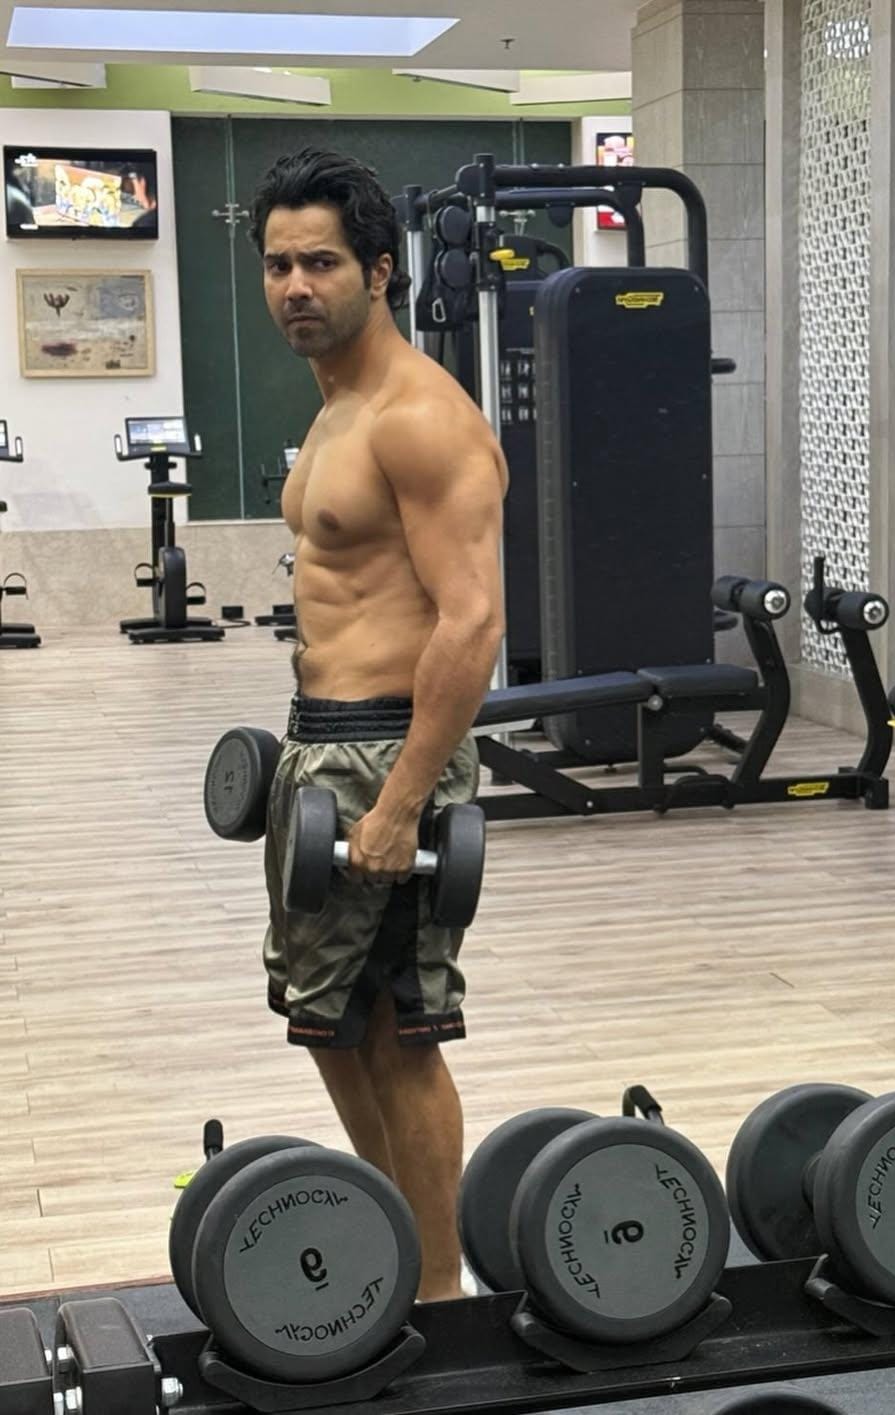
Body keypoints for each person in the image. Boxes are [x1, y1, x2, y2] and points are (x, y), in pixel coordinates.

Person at [248, 148, 507, 1301]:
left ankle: (442, 1303)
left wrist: (404, 800)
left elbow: (472, 620)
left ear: (381, 272)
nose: (296, 286)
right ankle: (390, 1260)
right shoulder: (336, 410)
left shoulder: (421, 417)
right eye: (277, 266)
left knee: (402, 1032)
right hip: (319, 742)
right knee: (331, 1024)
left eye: (320, 263)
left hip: (390, 750)